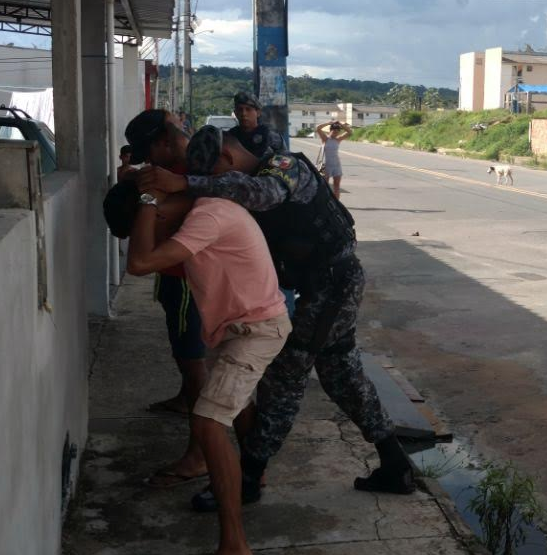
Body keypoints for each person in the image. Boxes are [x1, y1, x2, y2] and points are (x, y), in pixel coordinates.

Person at [138, 122, 415, 512]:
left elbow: (262, 194)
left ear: (228, 158)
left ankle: (248, 478)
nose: (216, 187)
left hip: (331, 284)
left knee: (285, 377)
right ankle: (395, 464)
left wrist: (187, 184)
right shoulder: (245, 179)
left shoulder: (283, 167)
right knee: (342, 377)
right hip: (323, 286)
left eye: (215, 175)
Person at [105, 148, 291, 555]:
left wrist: (147, 201)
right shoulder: (202, 212)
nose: (156, 231)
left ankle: (235, 549)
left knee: (208, 421)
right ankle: (251, 475)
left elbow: (139, 264)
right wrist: (141, 186)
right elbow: (145, 253)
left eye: (156, 221)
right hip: (238, 327)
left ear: (163, 206)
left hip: (257, 329)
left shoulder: (210, 215)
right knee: (235, 406)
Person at [121, 112, 210, 489]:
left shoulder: (192, 169)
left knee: (196, 366)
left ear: (164, 140)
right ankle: (183, 398)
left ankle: (200, 452)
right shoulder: (166, 168)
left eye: (152, 149)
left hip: (188, 277)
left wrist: (148, 195)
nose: (149, 159)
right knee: (182, 352)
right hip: (171, 276)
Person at [230, 91, 285, 155]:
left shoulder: (271, 138)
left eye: (248, 109)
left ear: (258, 112)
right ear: (235, 113)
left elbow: (286, 160)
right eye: (240, 109)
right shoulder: (230, 137)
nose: (243, 114)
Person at [315, 120, 352, 195]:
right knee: (324, 186)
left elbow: (349, 132)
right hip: (326, 165)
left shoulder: (338, 139)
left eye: (337, 131)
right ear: (330, 130)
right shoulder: (325, 138)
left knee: (336, 186)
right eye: (334, 131)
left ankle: (336, 204)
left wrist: (341, 124)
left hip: (336, 165)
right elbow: (318, 128)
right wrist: (329, 123)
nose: (336, 133)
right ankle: (324, 203)